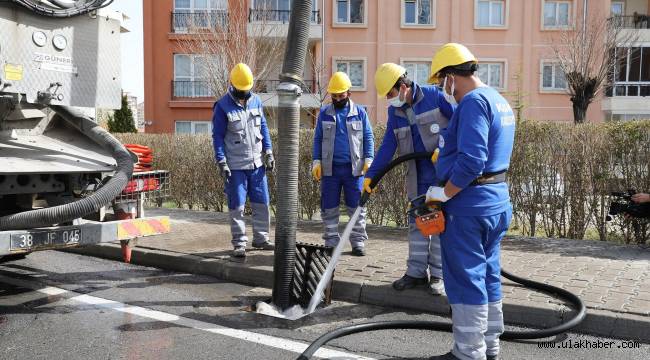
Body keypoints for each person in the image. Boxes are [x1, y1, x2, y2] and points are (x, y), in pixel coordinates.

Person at [425, 43, 516, 360]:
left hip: (469, 208)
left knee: (465, 279)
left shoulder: (474, 102)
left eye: (441, 82)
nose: (441, 89)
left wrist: (444, 192)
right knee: (488, 274)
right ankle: (490, 347)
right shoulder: (498, 99)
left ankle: (467, 352)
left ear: (451, 77)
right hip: (496, 203)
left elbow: (473, 161)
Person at [364, 63, 454, 294]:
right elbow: (388, 145)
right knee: (418, 225)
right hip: (417, 176)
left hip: (442, 176)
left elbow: (458, 124)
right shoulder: (396, 112)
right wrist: (372, 176)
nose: (389, 99)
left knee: (440, 226)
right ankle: (415, 274)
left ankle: (438, 277)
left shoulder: (435, 96)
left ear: (403, 86)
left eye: (391, 94)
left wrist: (444, 147)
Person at [212, 63, 275, 258]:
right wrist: (221, 161)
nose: (245, 93)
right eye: (242, 90)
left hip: (257, 164)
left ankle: (261, 239)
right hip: (235, 166)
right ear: (233, 85)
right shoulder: (222, 106)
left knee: (262, 203)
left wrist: (269, 151)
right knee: (237, 205)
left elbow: (263, 127)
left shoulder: (256, 101)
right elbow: (217, 137)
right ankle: (239, 243)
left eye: (247, 89)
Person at [312, 72, 374, 256]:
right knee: (329, 206)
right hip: (330, 169)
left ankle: (357, 242)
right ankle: (331, 242)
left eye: (341, 95)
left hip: (354, 170)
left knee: (356, 207)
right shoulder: (324, 113)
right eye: (335, 96)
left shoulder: (360, 113)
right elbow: (318, 139)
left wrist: (369, 159)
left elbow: (368, 137)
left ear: (348, 93)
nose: (338, 99)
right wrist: (317, 161)